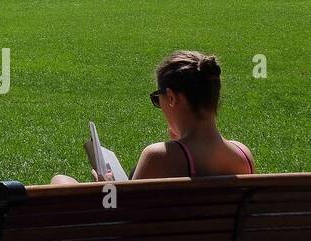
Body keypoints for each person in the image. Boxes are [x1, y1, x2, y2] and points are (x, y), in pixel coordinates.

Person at [52, 51, 254, 184]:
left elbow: (127, 222)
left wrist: (108, 188)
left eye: (158, 99)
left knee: (61, 181)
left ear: (172, 97)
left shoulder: (159, 156)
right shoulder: (243, 154)